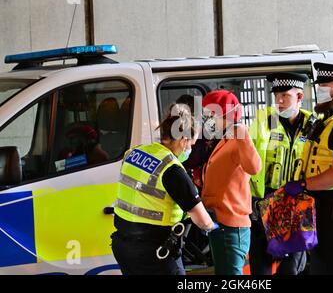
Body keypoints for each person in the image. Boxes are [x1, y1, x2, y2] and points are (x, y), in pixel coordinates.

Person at [110, 103, 218, 275]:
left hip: (123, 246)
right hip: (153, 252)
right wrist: (215, 226)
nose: (190, 149)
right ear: (183, 141)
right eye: (192, 144)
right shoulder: (171, 169)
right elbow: (202, 221)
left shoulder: (134, 152)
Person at [283, 62, 333, 275]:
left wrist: (302, 185)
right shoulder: (326, 120)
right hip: (322, 206)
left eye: (324, 86)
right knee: (321, 269)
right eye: (317, 85)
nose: (318, 91)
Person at [248, 72, 310, 275]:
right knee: (261, 266)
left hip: (298, 202)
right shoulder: (263, 121)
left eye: (285, 96)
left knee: (292, 268)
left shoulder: (313, 125)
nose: (280, 101)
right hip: (265, 201)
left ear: (300, 97)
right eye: (276, 96)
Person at [201, 90, 262, 275]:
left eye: (210, 115)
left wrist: (242, 132)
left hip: (232, 223)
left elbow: (254, 167)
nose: (207, 120)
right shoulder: (225, 139)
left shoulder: (238, 137)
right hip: (219, 221)